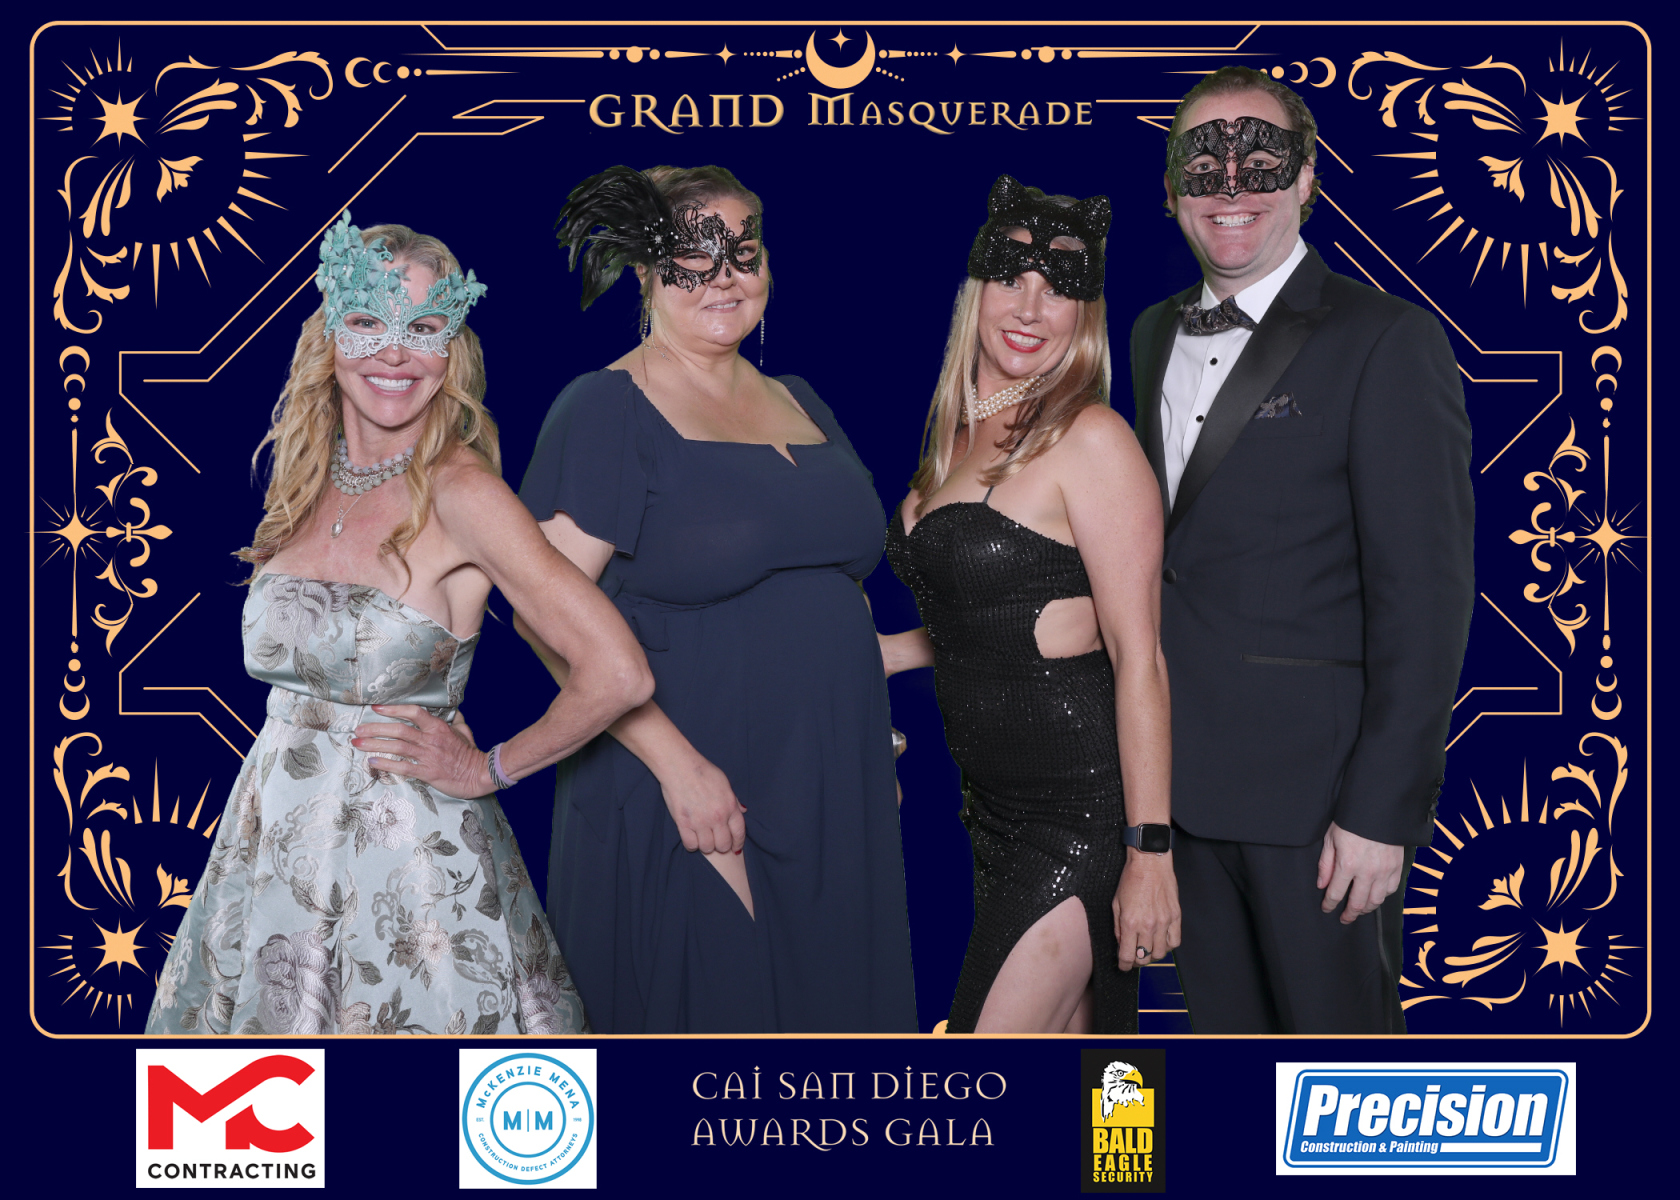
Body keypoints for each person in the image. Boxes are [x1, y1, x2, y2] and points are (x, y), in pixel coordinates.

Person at [145, 212, 652, 1036]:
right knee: (253, 1111)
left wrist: (490, 767)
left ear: (451, 349)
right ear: (329, 337)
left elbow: (619, 672)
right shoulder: (306, 479)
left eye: (421, 328)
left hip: (409, 870)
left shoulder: (463, 493)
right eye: (367, 320)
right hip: (268, 845)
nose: (394, 352)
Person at [515, 164, 917, 1033]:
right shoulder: (607, 407)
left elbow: (831, 596)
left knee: (828, 1045)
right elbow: (544, 618)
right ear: (644, 271)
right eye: (693, 256)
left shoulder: (801, 400)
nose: (724, 277)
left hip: (829, 781)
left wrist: (873, 737)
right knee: (715, 1029)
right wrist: (676, 765)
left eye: (744, 251)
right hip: (691, 778)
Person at [1130, 66, 1474, 1033]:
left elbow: (1427, 596)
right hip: (1180, 791)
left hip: (1319, 810)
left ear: (1308, 178)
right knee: (1229, 1071)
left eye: (1261, 161)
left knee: (1337, 1084)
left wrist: (1379, 812)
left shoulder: (1388, 340)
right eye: (1203, 165)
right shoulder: (1151, 333)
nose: (1231, 186)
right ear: (1172, 188)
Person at [880, 176, 1180, 1034]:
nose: (1030, 307)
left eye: (1059, 288)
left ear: (1084, 312)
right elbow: (991, 622)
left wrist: (1149, 852)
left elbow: (1139, 657)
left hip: (1078, 817)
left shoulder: (1090, 438)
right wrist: (877, 655)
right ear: (976, 288)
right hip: (989, 811)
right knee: (1084, 1083)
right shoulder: (954, 440)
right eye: (1011, 278)